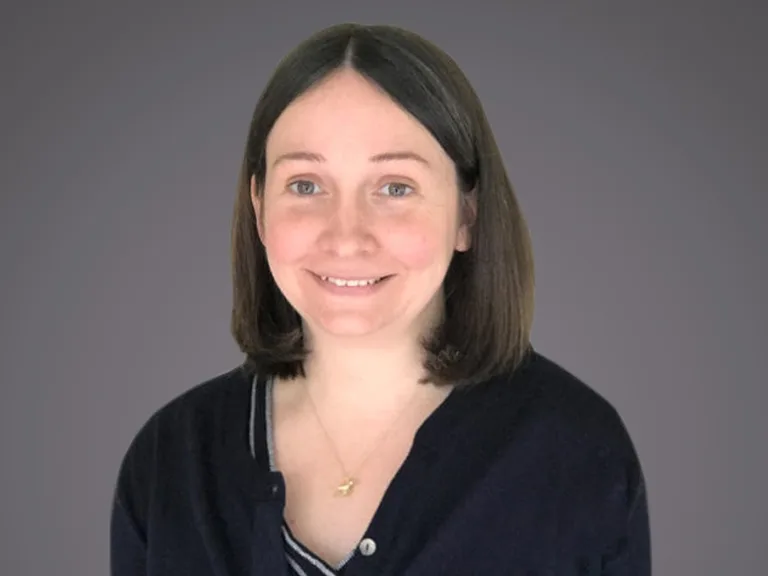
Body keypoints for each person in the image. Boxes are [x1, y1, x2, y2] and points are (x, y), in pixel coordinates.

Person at [110, 22, 651, 575]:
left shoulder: (577, 451)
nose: (346, 236)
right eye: (305, 185)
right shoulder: (169, 461)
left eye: (395, 187)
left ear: (467, 214)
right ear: (259, 207)